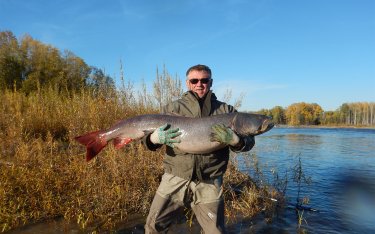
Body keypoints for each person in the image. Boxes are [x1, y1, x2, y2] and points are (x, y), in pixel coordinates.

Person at [143, 64, 255, 233]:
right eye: (194, 80)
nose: (199, 84)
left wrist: (236, 140)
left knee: (215, 231)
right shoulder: (172, 109)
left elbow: (249, 142)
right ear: (188, 83)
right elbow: (146, 141)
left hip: (209, 179)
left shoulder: (227, 111)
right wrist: (153, 138)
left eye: (204, 80)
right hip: (175, 176)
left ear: (211, 82)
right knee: (154, 227)